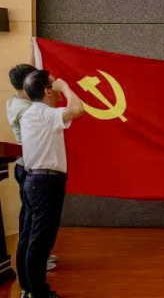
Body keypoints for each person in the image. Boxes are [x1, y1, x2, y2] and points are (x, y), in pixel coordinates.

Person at [18, 70, 85, 298]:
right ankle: (39, 294)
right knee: (40, 241)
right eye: (53, 85)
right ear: (47, 91)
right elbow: (78, 109)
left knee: (28, 236)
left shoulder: (31, 113)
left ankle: (28, 290)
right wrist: (65, 87)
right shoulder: (44, 113)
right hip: (45, 183)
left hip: (34, 181)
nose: (57, 89)